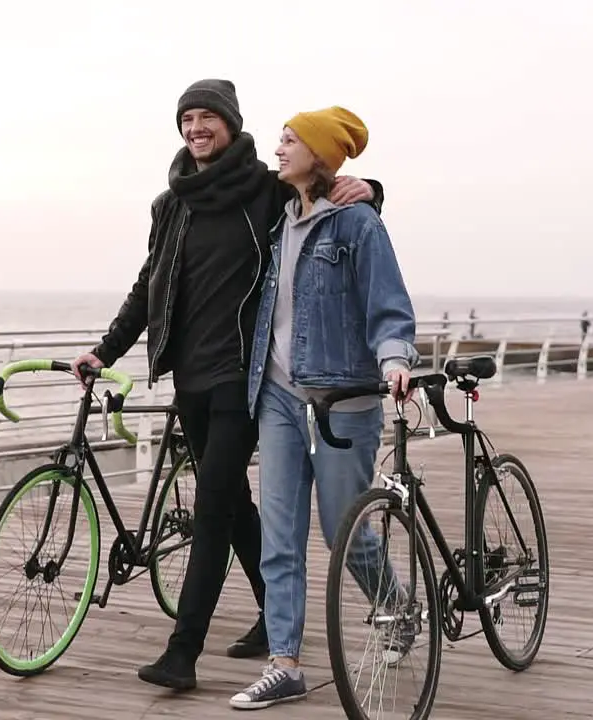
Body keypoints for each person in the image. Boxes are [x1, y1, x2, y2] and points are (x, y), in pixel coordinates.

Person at [72, 79, 385, 692]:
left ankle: (182, 653)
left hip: (244, 382)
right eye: (187, 117)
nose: (197, 127)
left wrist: (374, 189)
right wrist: (104, 348)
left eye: (208, 117)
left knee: (212, 508)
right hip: (189, 377)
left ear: (231, 125)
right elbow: (148, 287)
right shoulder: (171, 204)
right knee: (234, 503)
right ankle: (273, 612)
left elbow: (324, 198)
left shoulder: (263, 191)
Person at [230, 106, 416, 710]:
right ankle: (284, 662)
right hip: (279, 395)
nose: (278, 148)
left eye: (289, 140)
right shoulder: (278, 221)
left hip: (345, 399)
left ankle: (395, 606)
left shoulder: (358, 224)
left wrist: (395, 360)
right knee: (279, 536)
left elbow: (388, 303)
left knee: (344, 528)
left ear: (319, 153)